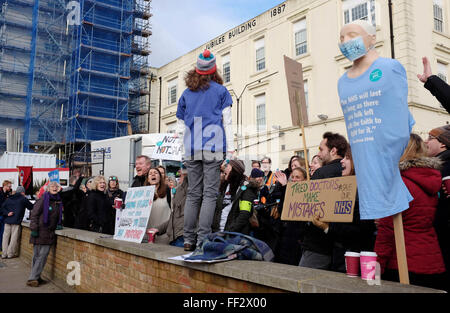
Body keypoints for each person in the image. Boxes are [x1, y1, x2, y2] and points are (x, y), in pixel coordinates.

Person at [337, 19, 415, 222]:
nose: (345, 41)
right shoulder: (342, 82)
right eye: (341, 38)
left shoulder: (390, 68)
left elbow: (401, 120)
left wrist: (393, 157)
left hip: (390, 162)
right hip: (364, 164)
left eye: (352, 35)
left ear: (372, 37)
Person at [175, 49, 234, 252]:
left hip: (192, 147)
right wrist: (231, 150)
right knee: (209, 194)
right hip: (213, 146)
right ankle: (202, 239)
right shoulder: (221, 92)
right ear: (214, 70)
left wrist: (183, 151)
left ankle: (188, 239)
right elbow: (228, 122)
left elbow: (180, 126)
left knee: (193, 193)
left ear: (197, 71)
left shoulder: (186, 94)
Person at [375, 134, 446, 290]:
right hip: (432, 260)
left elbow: (387, 232)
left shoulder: (399, 184)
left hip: (403, 264)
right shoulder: (431, 179)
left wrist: (376, 269)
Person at [311, 145, 376, 273]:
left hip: (356, 261)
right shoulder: (345, 189)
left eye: (347, 157)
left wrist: (327, 227)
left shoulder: (364, 192)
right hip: (341, 257)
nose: (341, 161)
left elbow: (361, 230)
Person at [298, 132, 348, 270]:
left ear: (333, 150)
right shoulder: (350, 172)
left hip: (317, 245)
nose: (318, 154)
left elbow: (308, 206)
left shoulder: (322, 173)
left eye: (321, 149)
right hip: (340, 245)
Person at [425, 125, 450, 291]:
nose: (426, 142)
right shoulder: (439, 164)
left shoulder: (446, 166)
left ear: (442, 144)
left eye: (430, 138)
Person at [26, 181, 63, 287]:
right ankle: (33, 278)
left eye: (56, 186)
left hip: (48, 232)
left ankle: (36, 277)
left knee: (38, 256)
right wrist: (33, 228)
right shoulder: (43, 199)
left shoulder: (58, 200)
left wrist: (59, 223)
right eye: (52, 186)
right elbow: (34, 214)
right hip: (40, 231)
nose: (54, 188)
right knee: (41, 256)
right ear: (47, 188)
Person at [272, 167, 308, 265]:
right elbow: (282, 210)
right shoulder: (287, 190)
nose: (294, 179)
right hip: (284, 236)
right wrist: (285, 187)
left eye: (298, 177)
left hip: (297, 239)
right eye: (293, 177)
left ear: (305, 179)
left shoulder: (308, 195)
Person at [154, 167, 188, 247]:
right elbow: (173, 218)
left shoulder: (191, 192)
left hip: (181, 238)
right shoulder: (179, 191)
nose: (178, 179)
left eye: (181, 176)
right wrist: (158, 229)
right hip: (173, 238)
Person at [224, 168, 263, 236]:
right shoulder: (247, 189)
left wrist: (232, 229)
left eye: (261, 177)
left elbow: (245, 213)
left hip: (239, 231)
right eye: (258, 177)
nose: (260, 179)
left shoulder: (247, 190)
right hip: (237, 229)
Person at [212, 159, 246, 233]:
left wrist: (231, 230)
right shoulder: (224, 185)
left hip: (232, 234)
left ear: (235, 170)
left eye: (227, 166)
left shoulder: (244, 188)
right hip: (217, 231)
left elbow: (244, 214)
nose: (225, 168)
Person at [1, 186, 34, 259]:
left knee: (5, 238)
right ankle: (10, 254)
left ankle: (4, 254)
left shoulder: (9, 198)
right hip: (16, 221)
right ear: (23, 192)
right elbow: (31, 207)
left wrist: (7, 213)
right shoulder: (23, 199)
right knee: (13, 238)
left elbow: (2, 208)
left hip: (7, 220)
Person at [144, 168, 171, 243]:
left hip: (164, 238)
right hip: (147, 238)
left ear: (160, 177)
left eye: (155, 173)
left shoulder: (168, 191)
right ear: (148, 179)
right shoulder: (143, 194)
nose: (153, 174)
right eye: (150, 173)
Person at [0, 180, 12, 256]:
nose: (10, 188)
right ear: (5, 185)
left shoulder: (8, 193)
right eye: (9, 186)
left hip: (4, 216)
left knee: (2, 233)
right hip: (1, 215)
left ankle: (1, 248)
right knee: (1, 233)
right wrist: (6, 213)